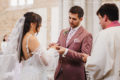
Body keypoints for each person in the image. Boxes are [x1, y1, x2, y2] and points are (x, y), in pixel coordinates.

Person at [2, 12, 59, 80]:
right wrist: (53, 49)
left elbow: (34, 56)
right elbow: (46, 61)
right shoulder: (31, 38)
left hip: (25, 73)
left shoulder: (23, 38)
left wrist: (46, 50)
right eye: (39, 23)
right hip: (35, 76)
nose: (40, 25)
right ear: (32, 24)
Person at [51, 6, 93, 80]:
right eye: (69, 18)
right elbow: (60, 46)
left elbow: (85, 57)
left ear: (81, 19)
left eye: (74, 19)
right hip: (59, 74)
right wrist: (54, 46)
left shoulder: (86, 35)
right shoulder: (63, 31)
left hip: (75, 76)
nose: (70, 21)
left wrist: (66, 51)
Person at [82, 3, 120, 80]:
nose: (99, 22)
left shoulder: (104, 34)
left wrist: (88, 59)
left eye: (100, 18)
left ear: (105, 17)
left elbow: (97, 65)